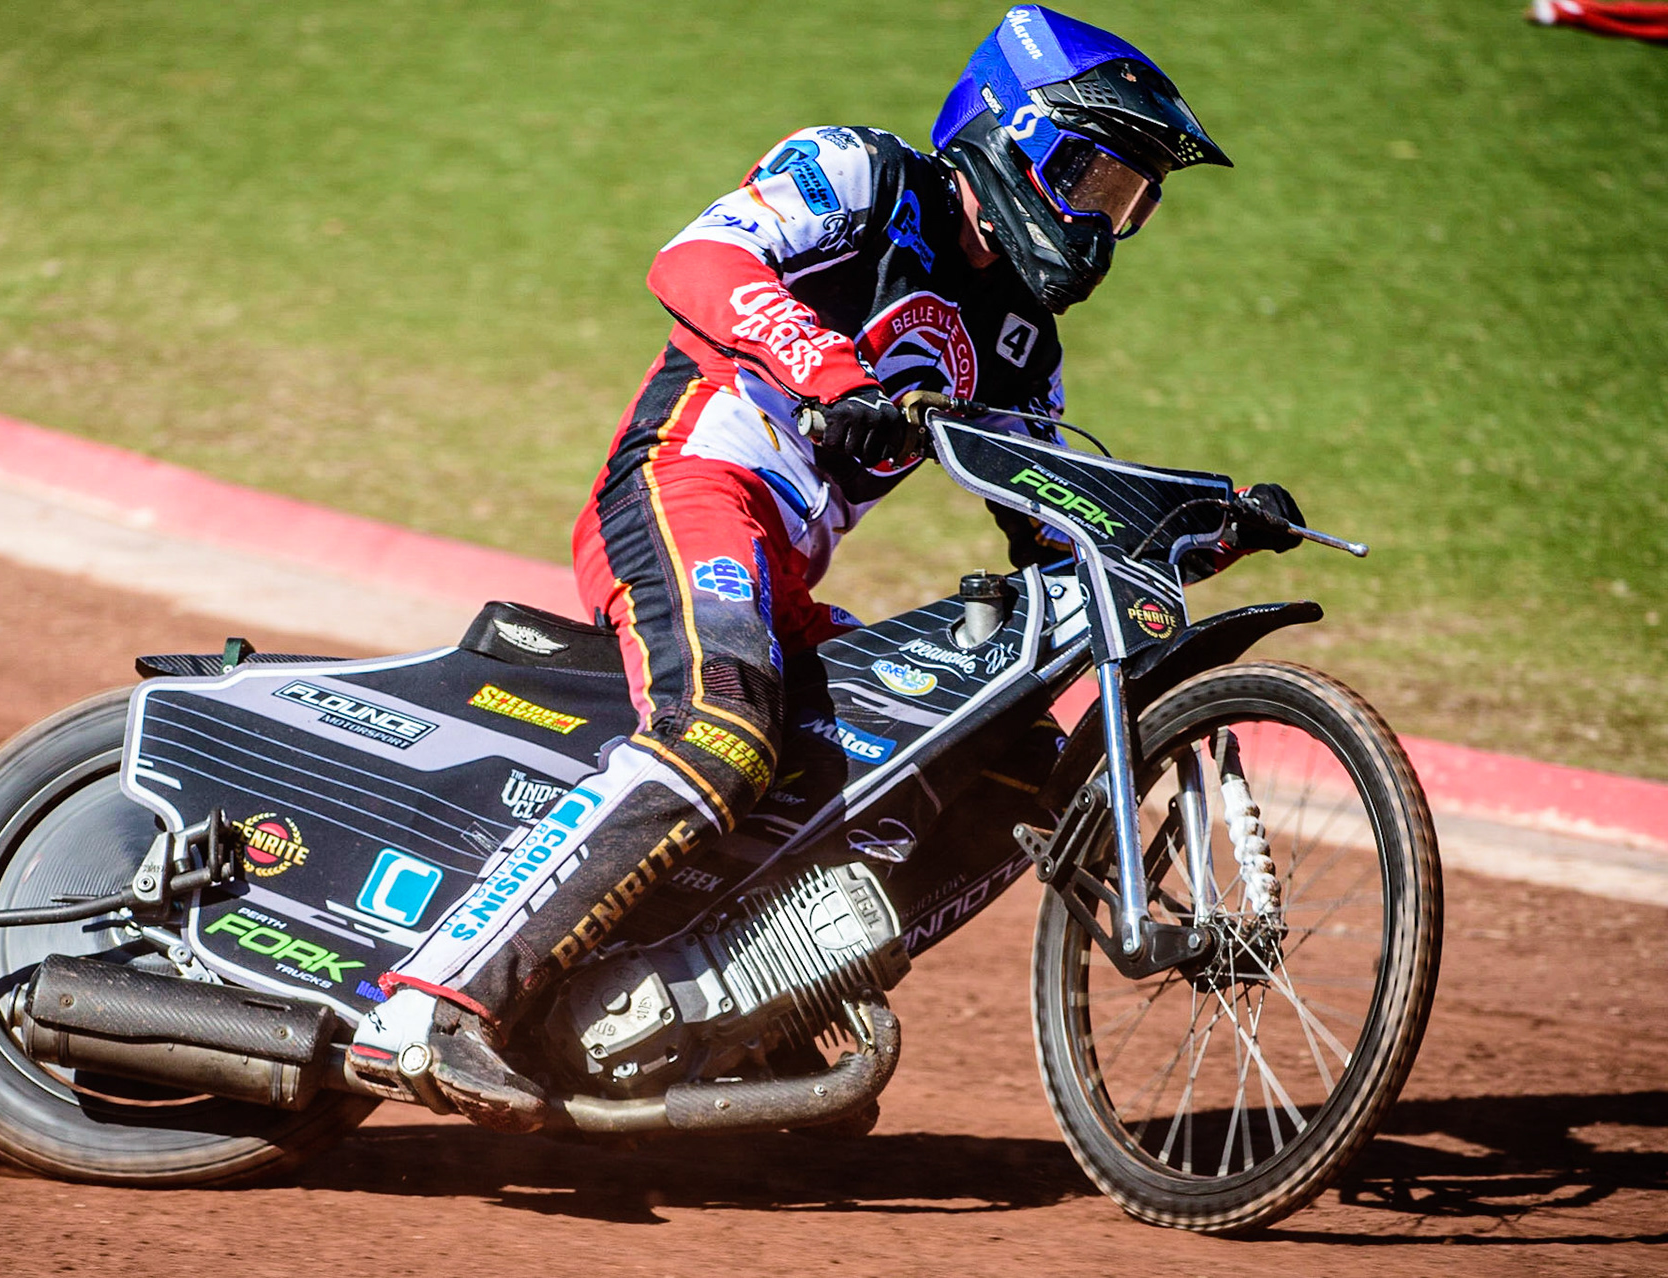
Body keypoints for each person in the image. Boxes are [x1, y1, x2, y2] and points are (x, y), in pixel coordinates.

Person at [356, 4, 1303, 1131]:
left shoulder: (1018, 343)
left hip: (785, 575)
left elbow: (1052, 518)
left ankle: (735, 1001)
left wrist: (1196, 526)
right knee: (720, 729)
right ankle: (433, 1006)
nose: (1102, 227)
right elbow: (697, 258)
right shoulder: (861, 174)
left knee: (1008, 765)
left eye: (1130, 205)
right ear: (1010, 130)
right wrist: (832, 376)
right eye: (1090, 180)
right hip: (686, 487)